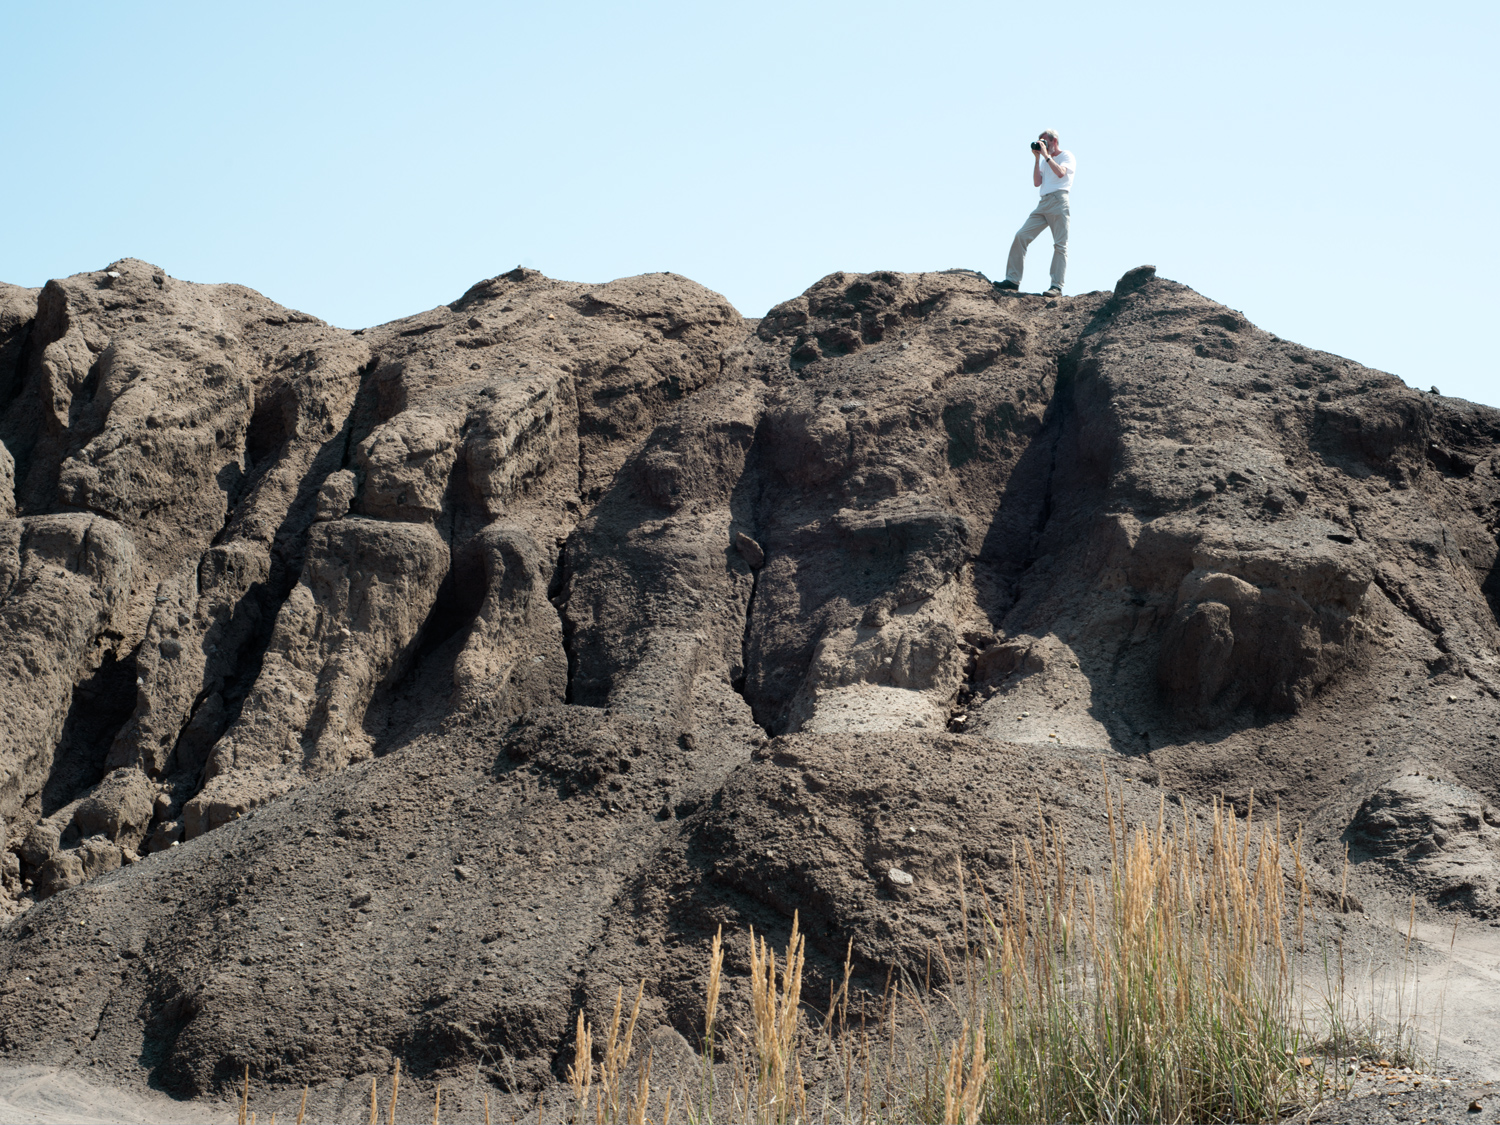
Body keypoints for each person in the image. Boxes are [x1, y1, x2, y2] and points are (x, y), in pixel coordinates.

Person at [994, 130, 1075, 298]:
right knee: (1021, 236)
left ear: (1054, 141)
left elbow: (1061, 173)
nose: (1042, 145)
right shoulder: (1044, 160)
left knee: (1060, 245)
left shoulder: (1066, 155)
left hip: (1059, 200)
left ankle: (1056, 286)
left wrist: (1046, 156)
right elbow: (1037, 183)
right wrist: (1038, 158)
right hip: (1043, 202)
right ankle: (1012, 280)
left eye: (1044, 142)